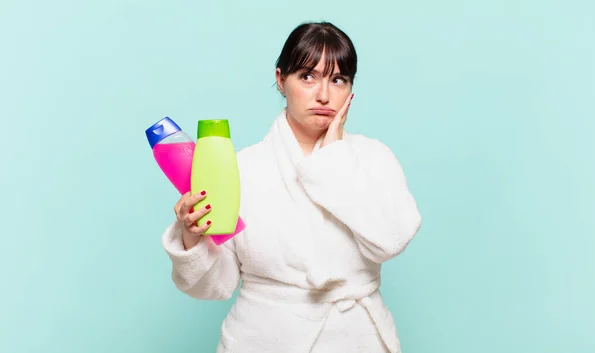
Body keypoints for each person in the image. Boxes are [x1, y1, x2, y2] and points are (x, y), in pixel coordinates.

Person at [161, 21, 422, 353]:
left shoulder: (374, 159)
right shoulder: (241, 168)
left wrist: (334, 163)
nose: (324, 95)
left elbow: (391, 240)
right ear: (280, 79)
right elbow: (215, 284)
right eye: (308, 76)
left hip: (358, 339)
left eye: (338, 79)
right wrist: (192, 235)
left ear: (351, 89)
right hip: (264, 339)